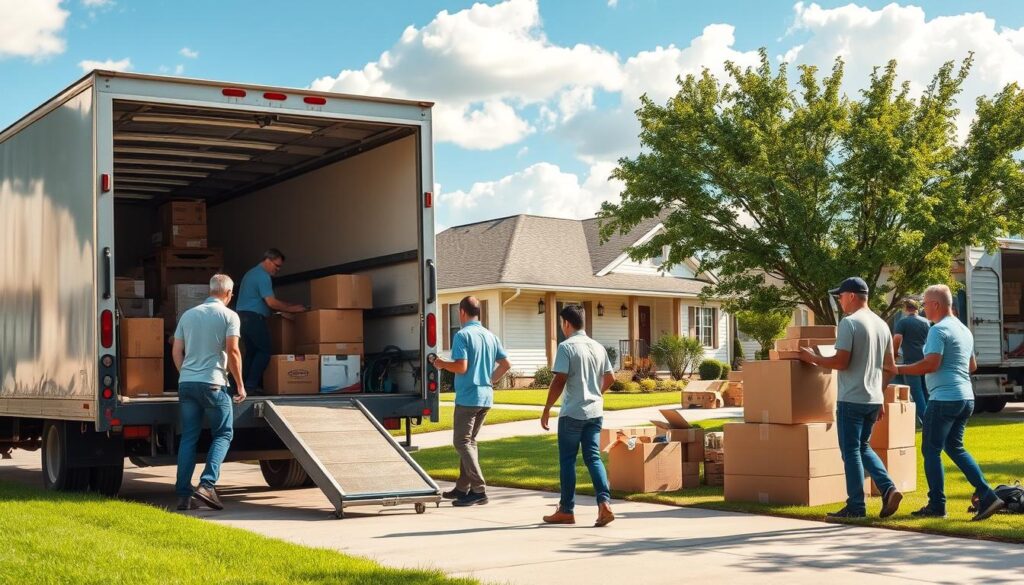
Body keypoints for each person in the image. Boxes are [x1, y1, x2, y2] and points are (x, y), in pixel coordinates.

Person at [896, 284, 1006, 521]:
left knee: (930, 450)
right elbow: (972, 366)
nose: (923, 308)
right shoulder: (963, 330)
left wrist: (898, 369)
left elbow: (930, 364)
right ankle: (987, 496)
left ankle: (937, 505)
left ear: (936, 304)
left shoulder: (938, 330)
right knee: (955, 447)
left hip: (944, 399)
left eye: (925, 304)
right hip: (965, 397)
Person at [800, 277, 902, 519]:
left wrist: (812, 359)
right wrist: (880, 396)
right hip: (872, 399)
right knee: (863, 447)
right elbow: (891, 368)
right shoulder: (882, 325)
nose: (840, 301)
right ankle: (889, 489)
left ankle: (856, 506)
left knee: (851, 452)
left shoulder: (849, 323)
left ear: (853, 296)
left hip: (851, 399)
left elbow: (841, 361)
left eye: (841, 296)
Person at [171, 274, 246, 511]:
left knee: (188, 438)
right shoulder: (229, 316)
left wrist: (186, 374)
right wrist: (240, 385)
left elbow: (176, 350)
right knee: (223, 434)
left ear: (210, 290)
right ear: (228, 294)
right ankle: (207, 485)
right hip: (214, 384)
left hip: (187, 383)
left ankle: (183, 496)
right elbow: (233, 352)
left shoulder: (188, 315)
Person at [429, 296, 511, 507]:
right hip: (485, 397)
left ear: (462, 312)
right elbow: (505, 364)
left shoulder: (462, 335)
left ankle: (479, 490)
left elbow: (461, 367)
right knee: (470, 442)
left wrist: (441, 364)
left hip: (468, 397)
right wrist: (490, 380)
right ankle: (462, 488)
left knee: (461, 442)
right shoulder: (490, 336)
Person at [540, 304, 616, 527]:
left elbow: (559, 380)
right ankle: (604, 504)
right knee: (593, 457)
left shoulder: (566, 347)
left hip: (572, 413)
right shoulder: (598, 347)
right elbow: (610, 378)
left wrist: (547, 408)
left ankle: (566, 510)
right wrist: (595, 394)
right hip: (595, 412)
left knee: (568, 461)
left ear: (566, 323)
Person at [236, 249, 305, 393]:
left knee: (251, 353)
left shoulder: (251, 273)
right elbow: (271, 302)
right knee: (264, 352)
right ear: (267, 260)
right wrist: (293, 308)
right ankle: (251, 386)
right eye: (276, 265)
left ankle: (240, 385)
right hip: (254, 317)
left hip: (243, 317)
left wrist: (287, 306)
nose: (278, 269)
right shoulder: (263, 276)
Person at [893, 298, 930, 425]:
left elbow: (897, 339)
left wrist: (894, 353)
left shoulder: (903, 322)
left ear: (905, 308)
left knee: (916, 392)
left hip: (911, 362)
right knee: (926, 391)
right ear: (917, 308)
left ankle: (926, 422)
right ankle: (931, 419)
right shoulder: (926, 322)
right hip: (925, 360)